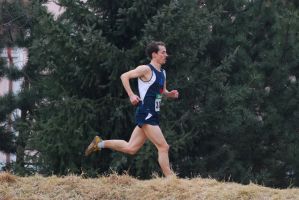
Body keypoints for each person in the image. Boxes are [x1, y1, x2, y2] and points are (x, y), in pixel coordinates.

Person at [85, 41, 179, 177]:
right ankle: (171, 180)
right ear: (154, 54)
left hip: (153, 114)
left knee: (131, 148)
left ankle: (99, 144)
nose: (166, 55)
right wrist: (131, 95)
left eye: (166, 52)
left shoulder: (163, 73)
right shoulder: (146, 69)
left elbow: (162, 90)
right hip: (146, 113)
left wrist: (169, 94)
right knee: (163, 147)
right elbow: (124, 76)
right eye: (163, 52)